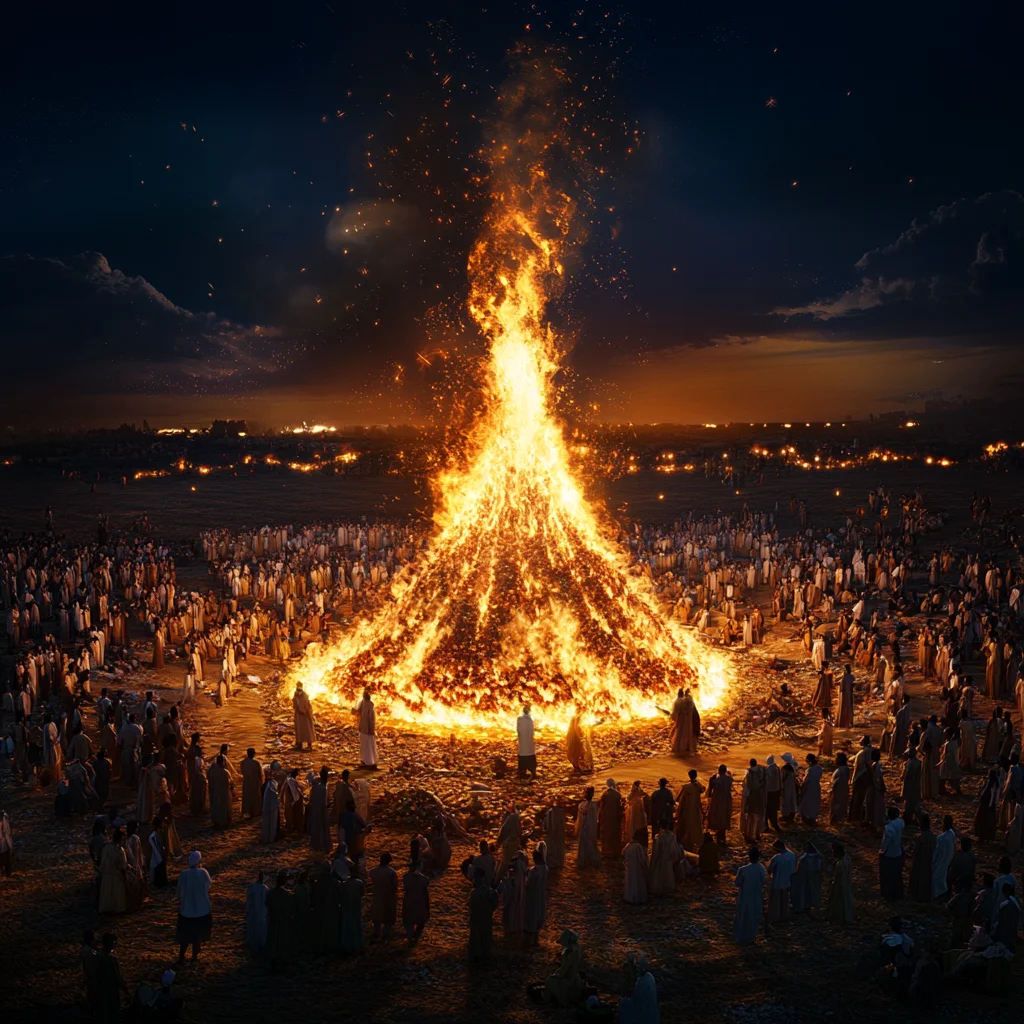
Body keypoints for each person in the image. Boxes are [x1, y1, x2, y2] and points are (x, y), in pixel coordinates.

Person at [175, 850, 213, 965]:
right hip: (202, 910)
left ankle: (181, 957)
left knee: (185, 936)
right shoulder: (203, 872)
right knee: (198, 936)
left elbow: (178, 893)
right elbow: (208, 885)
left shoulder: (184, 874)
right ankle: (194, 958)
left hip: (187, 911)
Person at [733, 846, 767, 944]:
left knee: (742, 916)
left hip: (744, 896)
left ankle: (741, 937)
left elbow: (737, 883)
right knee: (753, 916)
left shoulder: (743, 869)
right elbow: (764, 881)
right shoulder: (761, 868)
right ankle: (752, 937)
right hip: (756, 896)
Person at [544, 929, 585, 1008]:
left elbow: (562, 973)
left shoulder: (569, 953)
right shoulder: (578, 948)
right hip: (575, 977)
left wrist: (555, 974)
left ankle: (551, 1000)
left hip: (568, 980)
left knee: (550, 980)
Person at [468, 866, 499, 964]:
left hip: (478, 918)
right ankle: (485, 955)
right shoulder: (489, 892)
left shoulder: (475, 893)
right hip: (486, 918)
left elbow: (471, 906)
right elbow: (495, 904)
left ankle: (478, 956)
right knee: (485, 937)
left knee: (477, 937)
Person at [94, 933, 128, 1021]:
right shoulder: (111, 958)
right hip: (111, 989)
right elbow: (118, 976)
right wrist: (125, 990)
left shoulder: (97, 955)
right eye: (114, 942)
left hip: (100, 989)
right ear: (111, 943)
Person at [265, 870, 295, 968]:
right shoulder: (288, 895)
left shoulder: (271, 894)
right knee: (282, 941)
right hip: (283, 922)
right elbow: (290, 910)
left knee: (273, 941)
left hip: (274, 921)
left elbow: (267, 905)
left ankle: (273, 959)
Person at [619, 955, 659, 1024]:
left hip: (643, 1015)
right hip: (649, 1014)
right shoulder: (648, 978)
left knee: (624, 1004)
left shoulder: (644, 981)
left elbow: (636, 999)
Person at [97, 828, 129, 914]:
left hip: (106, 875)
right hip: (116, 875)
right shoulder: (119, 850)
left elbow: (102, 861)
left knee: (107, 893)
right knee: (117, 895)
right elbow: (123, 865)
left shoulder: (106, 847)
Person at [370, 852, 399, 940]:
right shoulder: (391, 872)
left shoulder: (373, 871)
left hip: (377, 896)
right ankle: (385, 933)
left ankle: (376, 932)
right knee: (389, 917)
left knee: (377, 915)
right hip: (388, 897)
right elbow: (395, 886)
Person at [767, 839, 796, 924]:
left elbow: (770, 869)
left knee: (776, 901)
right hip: (787, 881)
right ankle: (784, 916)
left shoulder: (777, 858)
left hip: (777, 882)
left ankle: (776, 917)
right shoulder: (791, 855)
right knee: (785, 900)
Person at [523, 847, 548, 944]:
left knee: (531, 916)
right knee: (538, 914)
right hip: (541, 895)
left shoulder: (534, 871)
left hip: (532, 896)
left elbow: (528, 884)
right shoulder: (545, 868)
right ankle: (536, 939)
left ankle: (529, 941)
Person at [824, 841, 854, 924]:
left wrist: (832, 883)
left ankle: (838, 917)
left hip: (840, 885)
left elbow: (837, 877)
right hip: (846, 882)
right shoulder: (847, 858)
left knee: (838, 901)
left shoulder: (840, 864)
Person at [908, 813, 935, 902]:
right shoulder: (933, 836)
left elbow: (916, 853)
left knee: (919, 879)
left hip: (920, 863)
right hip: (930, 862)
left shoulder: (920, 838)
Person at [648, 821, 680, 896]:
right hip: (668, 859)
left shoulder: (660, 837)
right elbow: (674, 849)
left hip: (661, 859)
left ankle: (660, 889)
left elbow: (656, 850)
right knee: (668, 874)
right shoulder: (672, 836)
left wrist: (653, 861)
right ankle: (668, 889)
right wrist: (674, 858)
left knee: (660, 875)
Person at [879, 807, 905, 900]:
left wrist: (882, 851)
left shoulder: (889, 828)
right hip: (898, 852)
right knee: (897, 874)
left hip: (889, 854)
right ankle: (898, 893)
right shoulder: (901, 823)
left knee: (887, 875)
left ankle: (888, 894)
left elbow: (886, 841)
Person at [676, 769, 705, 851]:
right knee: (696, 825)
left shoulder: (686, 787)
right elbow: (703, 789)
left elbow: (679, 799)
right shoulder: (698, 786)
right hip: (696, 809)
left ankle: (688, 843)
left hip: (687, 810)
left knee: (687, 825)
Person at [402, 859, 430, 943]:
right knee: (420, 922)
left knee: (409, 921)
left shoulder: (405, 877)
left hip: (409, 901)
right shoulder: (424, 879)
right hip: (420, 901)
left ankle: (410, 938)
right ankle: (415, 938)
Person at [791, 841, 823, 913]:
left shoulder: (805, 857)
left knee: (805, 891)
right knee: (814, 892)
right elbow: (820, 867)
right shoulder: (818, 856)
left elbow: (799, 866)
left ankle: (805, 905)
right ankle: (814, 905)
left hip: (805, 877)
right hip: (815, 878)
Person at [707, 765, 733, 844]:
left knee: (717, 817)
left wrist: (711, 781)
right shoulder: (729, 779)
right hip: (726, 800)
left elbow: (709, 793)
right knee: (724, 817)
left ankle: (719, 837)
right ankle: (722, 836)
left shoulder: (716, 780)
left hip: (717, 801)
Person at [308, 766, 331, 853]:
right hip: (322, 812)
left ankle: (316, 845)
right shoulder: (324, 788)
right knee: (323, 828)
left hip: (315, 811)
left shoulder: (315, 788)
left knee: (316, 827)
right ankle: (323, 845)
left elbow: (310, 800)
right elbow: (326, 804)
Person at [932, 814, 956, 899]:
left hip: (941, 861)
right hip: (948, 859)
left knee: (938, 879)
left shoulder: (940, 838)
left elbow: (936, 852)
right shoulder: (952, 834)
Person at [576, 787, 601, 868]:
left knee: (584, 842)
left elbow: (580, 817)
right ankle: (590, 858)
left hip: (584, 826)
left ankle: (584, 859)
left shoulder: (582, 805)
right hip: (591, 827)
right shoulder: (594, 805)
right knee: (590, 841)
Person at [246, 870, 269, 956]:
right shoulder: (265, 889)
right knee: (261, 930)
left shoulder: (251, 887)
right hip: (261, 913)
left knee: (253, 929)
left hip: (253, 913)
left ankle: (254, 946)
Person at [669, 686, 699, 755]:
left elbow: (674, 714)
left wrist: (671, 716)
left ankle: (679, 748)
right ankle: (688, 747)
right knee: (688, 733)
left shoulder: (677, 702)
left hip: (680, 721)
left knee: (679, 734)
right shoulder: (689, 701)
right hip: (688, 721)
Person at [207, 755, 234, 830]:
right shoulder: (225, 772)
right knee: (223, 807)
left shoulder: (212, 770)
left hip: (214, 792)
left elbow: (208, 776)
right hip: (223, 793)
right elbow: (230, 783)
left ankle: (215, 821)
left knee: (215, 806)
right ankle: (223, 821)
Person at [599, 780, 623, 859]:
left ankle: (607, 852)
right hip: (615, 817)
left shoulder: (605, 794)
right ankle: (615, 851)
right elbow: (621, 807)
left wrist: (600, 818)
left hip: (607, 817)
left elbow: (602, 808)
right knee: (615, 833)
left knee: (607, 834)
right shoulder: (618, 794)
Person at [341, 872, 365, 953]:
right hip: (356, 906)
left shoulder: (345, 883)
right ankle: (357, 944)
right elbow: (362, 894)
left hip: (347, 907)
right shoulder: (359, 883)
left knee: (347, 924)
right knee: (357, 924)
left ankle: (347, 944)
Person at [624, 829, 649, 904]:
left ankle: (630, 896)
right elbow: (641, 858)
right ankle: (637, 897)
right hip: (637, 867)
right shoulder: (638, 846)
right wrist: (645, 866)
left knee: (631, 882)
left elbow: (625, 856)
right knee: (637, 882)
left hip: (630, 867)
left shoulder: (629, 846)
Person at [799, 753, 822, 824]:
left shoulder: (809, 770)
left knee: (807, 803)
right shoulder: (819, 769)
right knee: (814, 802)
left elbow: (806, 781)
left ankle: (807, 818)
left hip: (809, 788)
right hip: (816, 787)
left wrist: (802, 788)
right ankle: (813, 817)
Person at [357, 689, 377, 768]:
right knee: (366, 745)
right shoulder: (364, 703)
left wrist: (371, 729)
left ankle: (369, 762)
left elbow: (371, 718)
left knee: (367, 745)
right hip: (365, 728)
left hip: (366, 729)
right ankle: (366, 761)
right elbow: (359, 711)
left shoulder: (369, 705)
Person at [239, 748, 263, 818]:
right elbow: (260, 774)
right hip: (255, 783)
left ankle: (247, 811)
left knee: (247, 797)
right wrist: (261, 782)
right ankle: (255, 812)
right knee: (255, 798)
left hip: (247, 783)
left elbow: (242, 772)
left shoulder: (243, 762)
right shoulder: (256, 763)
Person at [293, 682, 315, 751]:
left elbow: (306, 705)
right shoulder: (296, 694)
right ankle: (299, 744)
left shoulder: (305, 696)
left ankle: (309, 745)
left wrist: (305, 712)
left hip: (305, 716)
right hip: (299, 716)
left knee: (307, 730)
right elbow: (295, 704)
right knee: (299, 730)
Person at [543, 804, 565, 869]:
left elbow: (547, 824)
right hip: (557, 835)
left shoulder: (550, 812)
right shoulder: (560, 812)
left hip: (552, 835)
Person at [829, 753, 849, 824]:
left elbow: (836, 782)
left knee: (836, 804)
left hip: (839, 790)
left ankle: (835, 820)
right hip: (843, 789)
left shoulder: (841, 770)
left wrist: (832, 790)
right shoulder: (845, 769)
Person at [517, 704, 536, 778]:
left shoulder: (519, 719)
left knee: (522, 757)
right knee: (530, 757)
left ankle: (522, 772)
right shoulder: (530, 720)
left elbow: (518, 731)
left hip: (522, 745)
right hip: (529, 745)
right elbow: (532, 732)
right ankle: (533, 773)